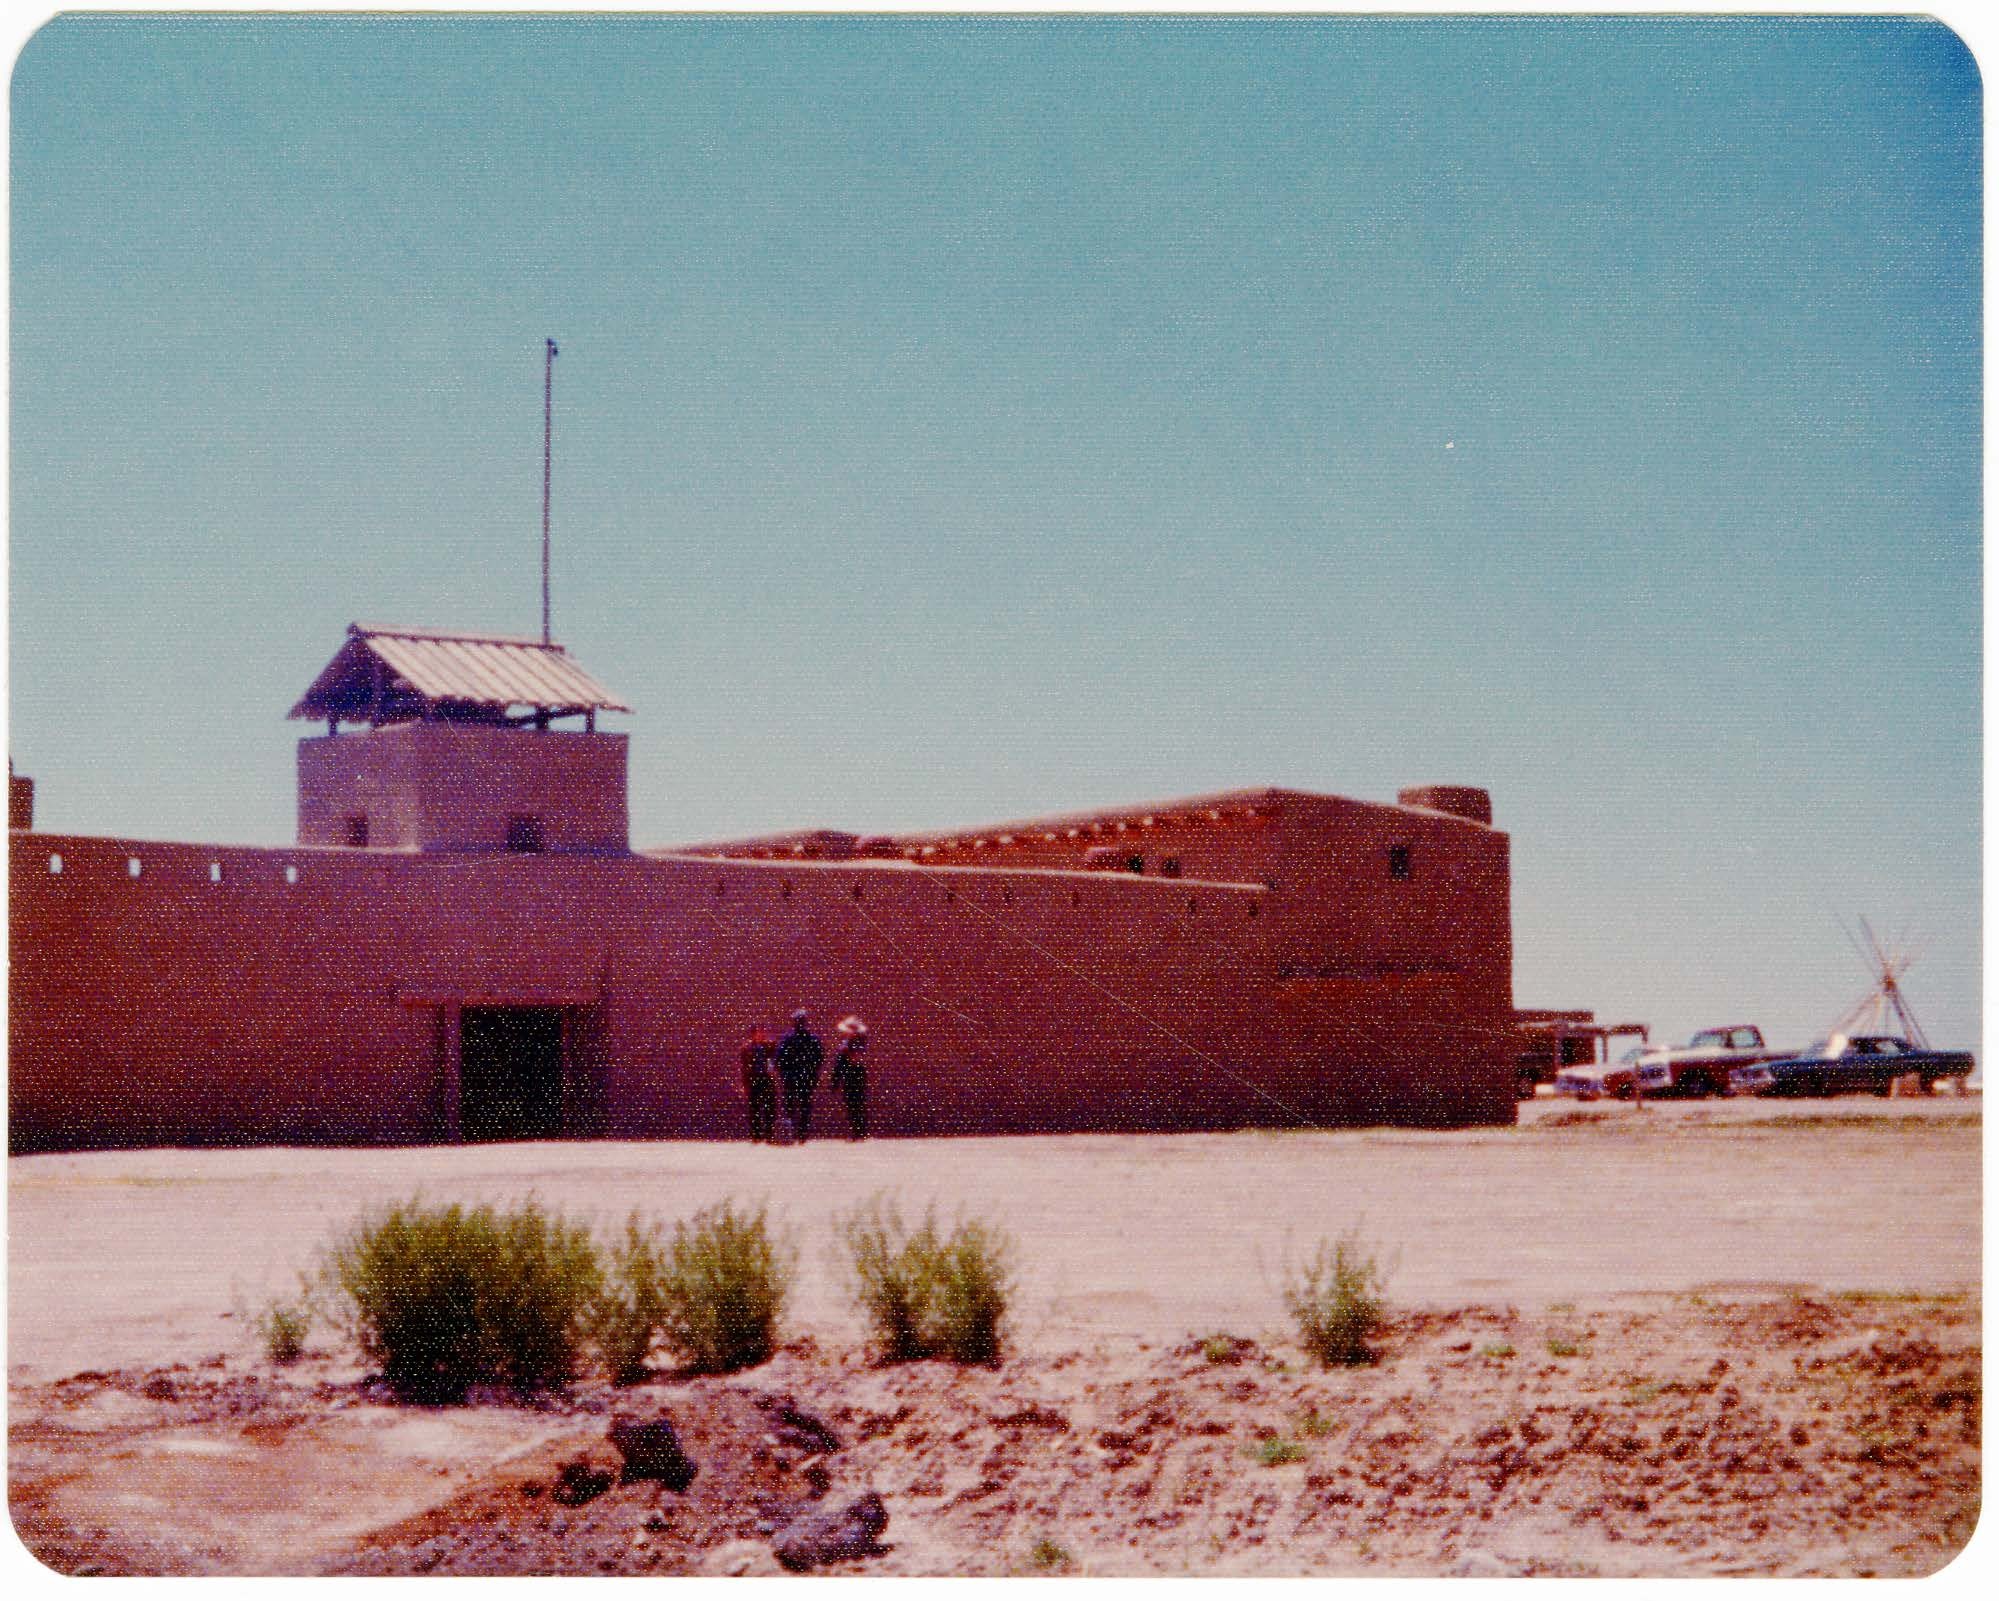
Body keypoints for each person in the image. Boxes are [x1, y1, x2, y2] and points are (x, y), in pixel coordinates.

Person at [775, 1009, 824, 1143]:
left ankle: (791, 1134)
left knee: (791, 1106)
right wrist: (813, 1074)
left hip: (791, 1077)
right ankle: (802, 1134)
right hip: (805, 1078)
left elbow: (779, 1058)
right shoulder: (813, 1039)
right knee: (804, 1106)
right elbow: (819, 1059)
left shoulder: (788, 1039)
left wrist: (783, 1073)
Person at [831, 1017, 870, 1140]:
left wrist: (835, 1081)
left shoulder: (852, 1045)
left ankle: (857, 1132)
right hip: (856, 1077)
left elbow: (842, 1062)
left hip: (852, 1077)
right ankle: (859, 1132)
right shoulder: (857, 1043)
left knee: (854, 1105)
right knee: (856, 1105)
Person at [738, 1027, 777, 1143]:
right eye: (758, 1033)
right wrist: (744, 1084)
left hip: (767, 1079)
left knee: (769, 1107)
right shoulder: (746, 1048)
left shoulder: (769, 1046)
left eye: (762, 1032)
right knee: (754, 1108)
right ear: (753, 1034)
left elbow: (774, 1060)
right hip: (753, 1079)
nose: (760, 1035)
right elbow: (744, 1067)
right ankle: (756, 1135)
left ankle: (769, 1134)